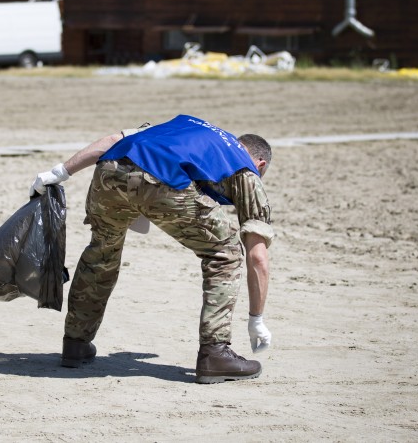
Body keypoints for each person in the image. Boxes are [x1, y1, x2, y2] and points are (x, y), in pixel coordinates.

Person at [30, 114, 274, 384]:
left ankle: (75, 343)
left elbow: (114, 140)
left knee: (102, 251)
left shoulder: (189, 128)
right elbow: (257, 257)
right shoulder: (246, 170)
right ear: (260, 164)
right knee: (225, 255)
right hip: (163, 181)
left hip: (110, 171)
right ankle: (215, 353)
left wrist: (58, 173)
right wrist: (256, 319)